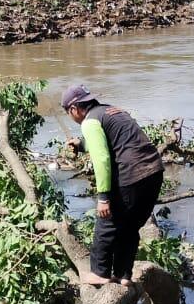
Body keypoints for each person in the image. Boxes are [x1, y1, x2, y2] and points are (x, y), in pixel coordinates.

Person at [61, 84, 164, 286]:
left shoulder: (89, 122)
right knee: (130, 226)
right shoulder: (110, 110)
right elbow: (113, 139)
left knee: (106, 223)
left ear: (74, 109)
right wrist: (81, 144)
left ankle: (100, 273)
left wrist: (103, 198)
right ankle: (123, 275)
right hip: (153, 171)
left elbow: (101, 159)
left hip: (132, 174)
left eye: (68, 113)